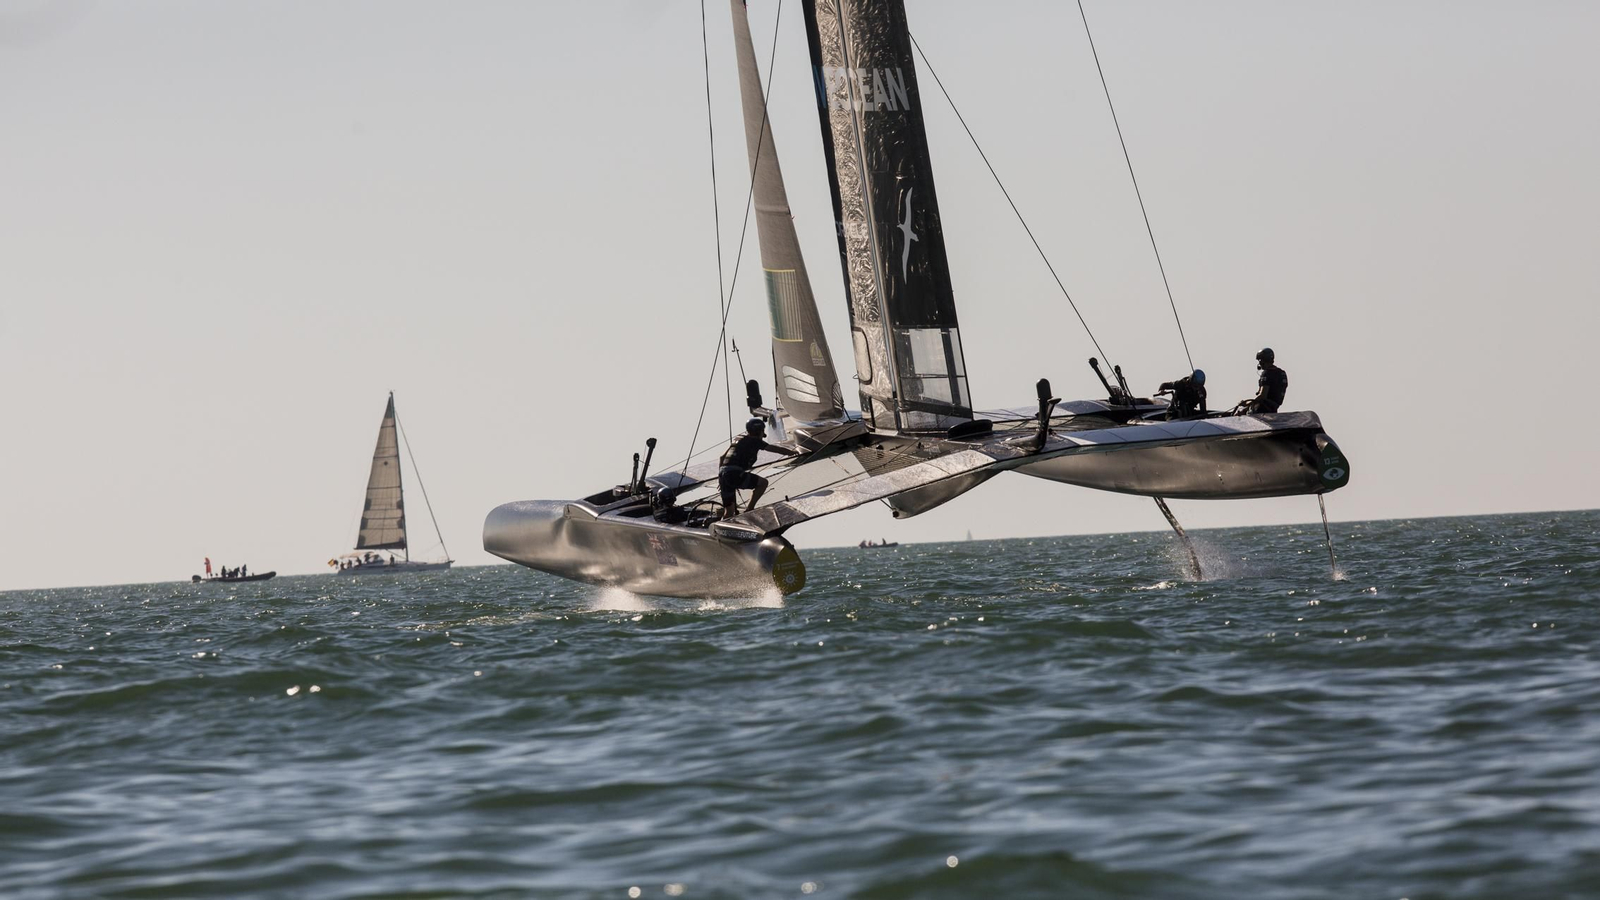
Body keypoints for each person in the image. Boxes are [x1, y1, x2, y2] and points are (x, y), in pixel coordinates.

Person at [719, 418, 799, 519]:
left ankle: (720, 529)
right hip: (734, 474)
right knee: (763, 483)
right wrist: (791, 452)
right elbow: (773, 448)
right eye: (762, 431)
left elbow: (722, 458)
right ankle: (750, 509)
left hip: (723, 474)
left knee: (729, 512)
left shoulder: (738, 440)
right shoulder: (755, 441)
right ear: (759, 431)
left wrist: (720, 479)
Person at [1240, 347, 1288, 414]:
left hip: (1262, 409)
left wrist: (1246, 404)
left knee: (1239, 413)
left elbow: (1262, 395)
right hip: (1273, 409)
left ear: (1261, 361)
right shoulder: (1282, 373)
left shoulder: (1267, 373)